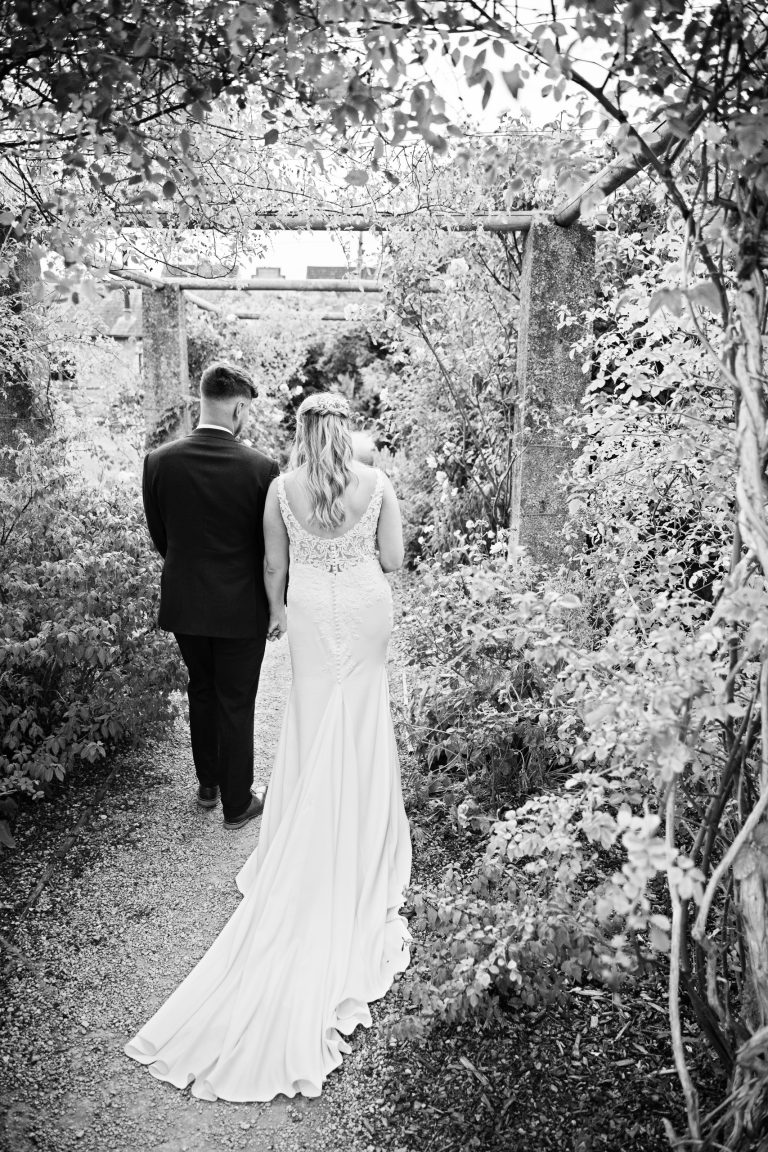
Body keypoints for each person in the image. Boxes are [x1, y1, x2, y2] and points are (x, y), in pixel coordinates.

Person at [125, 390, 412, 1101]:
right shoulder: (378, 484)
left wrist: (283, 614)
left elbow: (273, 571)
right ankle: (361, 830)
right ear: (345, 427)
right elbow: (396, 559)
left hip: (313, 612)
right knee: (364, 718)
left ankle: (303, 821)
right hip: (366, 610)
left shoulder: (281, 487)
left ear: (302, 429)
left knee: (314, 719)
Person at [141, 361, 278, 828]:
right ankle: (238, 804)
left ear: (203, 400)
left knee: (201, 689)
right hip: (242, 606)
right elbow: (269, 548)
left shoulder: (159, 462)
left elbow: (163, 538)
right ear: (239, 406)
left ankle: (208, 785)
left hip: (185, 602)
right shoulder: (262, 468)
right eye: (248, 411)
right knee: (236, 699)